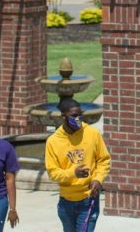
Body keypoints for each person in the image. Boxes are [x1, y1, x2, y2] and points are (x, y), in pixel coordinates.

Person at [44, 98, 111, 232]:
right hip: (66, 202)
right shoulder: (53, 141)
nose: (78, 118)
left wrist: (98, 179)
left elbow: (103, 160)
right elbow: (53, 173)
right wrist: (73, 173)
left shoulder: (92, 133)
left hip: (88, 198)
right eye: (74, 115)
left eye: (80, 114)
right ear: (63, 116)